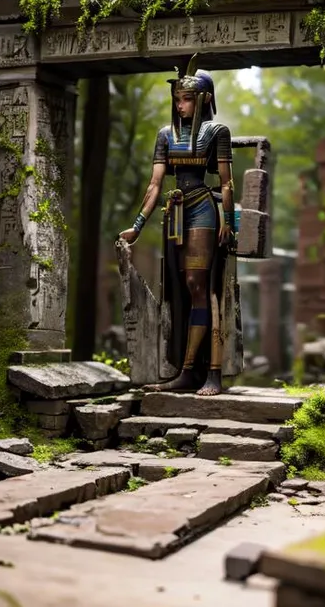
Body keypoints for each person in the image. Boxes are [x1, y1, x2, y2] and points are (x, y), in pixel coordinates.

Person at [119, 58, 235, 396]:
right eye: (178, 98)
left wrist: (227, 220)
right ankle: (185, 371)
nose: (180, 104)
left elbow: (226, 183)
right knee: (180, 289)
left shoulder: (217, 132)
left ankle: (209, 372)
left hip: (203, 209)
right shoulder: (165, 135)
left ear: (203, 100)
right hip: (176, 212)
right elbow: (154, 184)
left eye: (186, 98)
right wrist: (137, 226)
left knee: (198, 284)